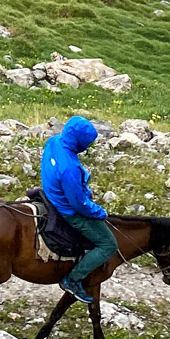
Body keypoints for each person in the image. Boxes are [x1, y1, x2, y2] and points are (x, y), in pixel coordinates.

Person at [39, 115, 117, 304]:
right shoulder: (70, 168)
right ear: (79, 141)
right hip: (66, 209)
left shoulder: (55, 141)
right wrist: (100, 212)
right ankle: (72, 279)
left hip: (49, 191)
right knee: (108, 245)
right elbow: (78, 204)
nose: (87, 147)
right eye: (86, 143)